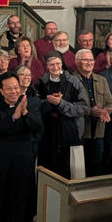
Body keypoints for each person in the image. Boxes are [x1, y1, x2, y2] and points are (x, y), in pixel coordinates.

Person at [0, 70, 43, 222]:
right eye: (9, 89)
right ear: (1, 91)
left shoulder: (29, 106)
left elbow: (37, 127)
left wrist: (24, 113)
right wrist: (15, 115)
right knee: (1, 194)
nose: (13, 92)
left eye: (16, 88)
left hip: (23, 159)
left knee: (22, 195)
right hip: (2, 160)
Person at [36, 51, 89, 179]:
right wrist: (49, 102)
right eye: (52, 65)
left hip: (69, 132)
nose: (55, 67)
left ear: (62, 64)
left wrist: (61, 104)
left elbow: (84, 107)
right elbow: (37, 107)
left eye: (58, 64)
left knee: (69, 172)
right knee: (49, 171)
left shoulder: (73, 81)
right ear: (47, 67)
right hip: (48, 135)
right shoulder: (41, 83)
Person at [72, 49, 112, 176]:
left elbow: (111, 103)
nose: (89, 62)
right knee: (79, 169)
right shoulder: (71, 80)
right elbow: (72, 106)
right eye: (85, 60)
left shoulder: (102, 80)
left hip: (98, 132)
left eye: (91, 60)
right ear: (77, 61)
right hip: (80, 133)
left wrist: (106, 112)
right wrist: (91, 112)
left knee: (97, 166)